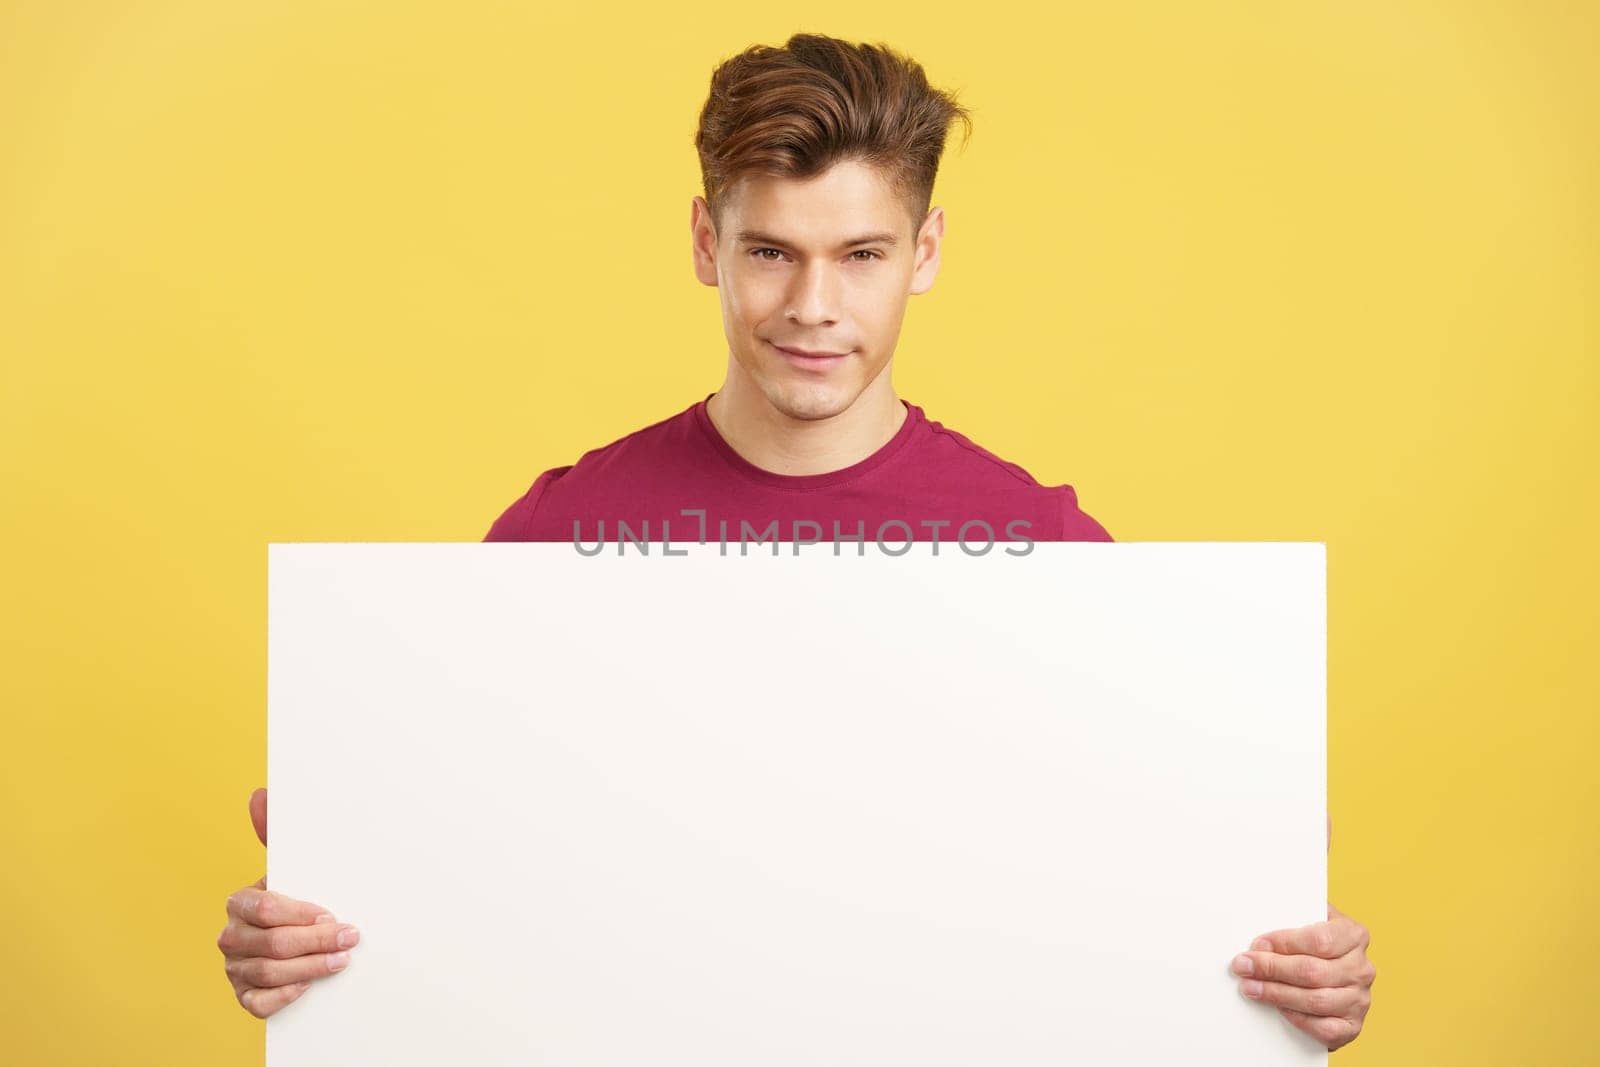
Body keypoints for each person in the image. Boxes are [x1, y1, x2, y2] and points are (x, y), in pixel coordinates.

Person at [217, 32, 1375, 1051]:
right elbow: (453, 888)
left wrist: (1300, 973)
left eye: (861, 255)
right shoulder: (558, 537)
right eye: (771, 250)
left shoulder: (1043, 551)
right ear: (703, 241)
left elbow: (1195, 895)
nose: (814, 305)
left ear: (922, 254)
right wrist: (309, 939)